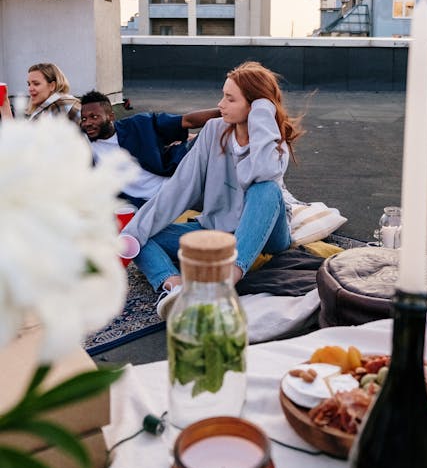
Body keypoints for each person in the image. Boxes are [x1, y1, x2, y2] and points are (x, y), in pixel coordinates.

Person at [121, 61, 304, 319]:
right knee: (140, 233)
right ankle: (175, 287)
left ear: (255, 107)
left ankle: (224, 283)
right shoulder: (213, 131)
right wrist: (133, 233)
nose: (220, 104)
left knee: (266, 188)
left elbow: (261, 174)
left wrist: (263, 114)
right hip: (215, 231)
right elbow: (180, 186)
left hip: (268, 235)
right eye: (223, 96)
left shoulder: (273, 143)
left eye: (230, 99)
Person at [80, 90, 221, 207]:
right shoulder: (83, 146)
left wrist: (225, 111)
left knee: (210, 133)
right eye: (84, 118)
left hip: (174, 184)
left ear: (111, 116)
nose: (88, 123)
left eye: (94, 117)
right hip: (141, 206)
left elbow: (187, 121)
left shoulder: (139, 125)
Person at [0, 63, 80, 123]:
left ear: (52, 86)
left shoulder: (64, 105)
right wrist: (4, 103)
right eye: (29, 84)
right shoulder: (44, 109)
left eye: (36, 84)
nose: (30, 89)